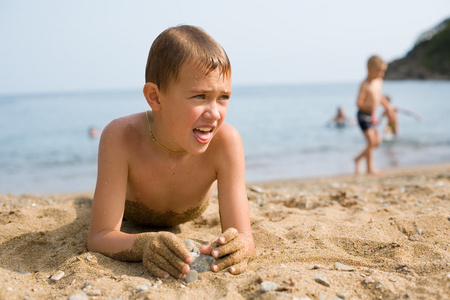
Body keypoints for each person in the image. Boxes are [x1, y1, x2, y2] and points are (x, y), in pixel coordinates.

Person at [87, 25, 254, 280]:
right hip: (132, 212)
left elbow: (244, 237)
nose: (214, 113)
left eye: (223, 97)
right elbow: (99, 236)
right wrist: (143, 245)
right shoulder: (121, 137)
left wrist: (239, 246)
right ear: (155, 97)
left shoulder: (226, 143)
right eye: (199, 96)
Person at [354, 55, 394, 175]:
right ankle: (370, 169)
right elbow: (358, 103)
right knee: (371, 141)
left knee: (377, 142)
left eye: (382, 71)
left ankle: (357, 159)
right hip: (363, 116)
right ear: (369, 69)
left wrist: (386, 105)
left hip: (373, 116)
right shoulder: (364, 84)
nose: (381, 74)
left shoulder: (379, 82)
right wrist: (366, 106)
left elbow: (379, 96)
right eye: (378, 71)